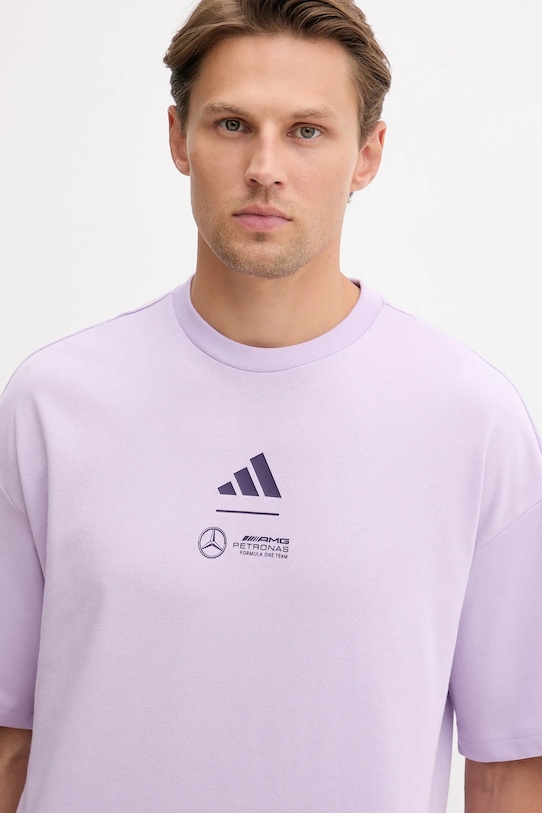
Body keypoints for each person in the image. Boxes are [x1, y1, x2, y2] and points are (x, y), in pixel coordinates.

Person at [1, 0, 541, 810]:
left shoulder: (472, 421)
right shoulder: (52, 404)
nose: (264, 167)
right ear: (178, 138)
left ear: (368, 154)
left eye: (306, 131)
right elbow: (9, 738)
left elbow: (510, 766)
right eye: (231, 125)